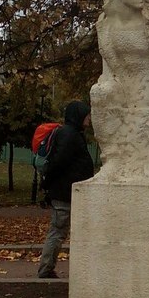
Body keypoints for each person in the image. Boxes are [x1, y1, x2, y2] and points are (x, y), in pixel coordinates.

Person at [37, 101, 94, 279]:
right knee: (58, 230)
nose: (90, 119)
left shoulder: (73, 133)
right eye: (87, 115)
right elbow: (58, 163)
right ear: (79, 115)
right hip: (64, 194)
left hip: (68, 193)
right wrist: (47, 185)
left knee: (60, 230)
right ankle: (45, 269)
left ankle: (47, 268)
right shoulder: (69, 135)